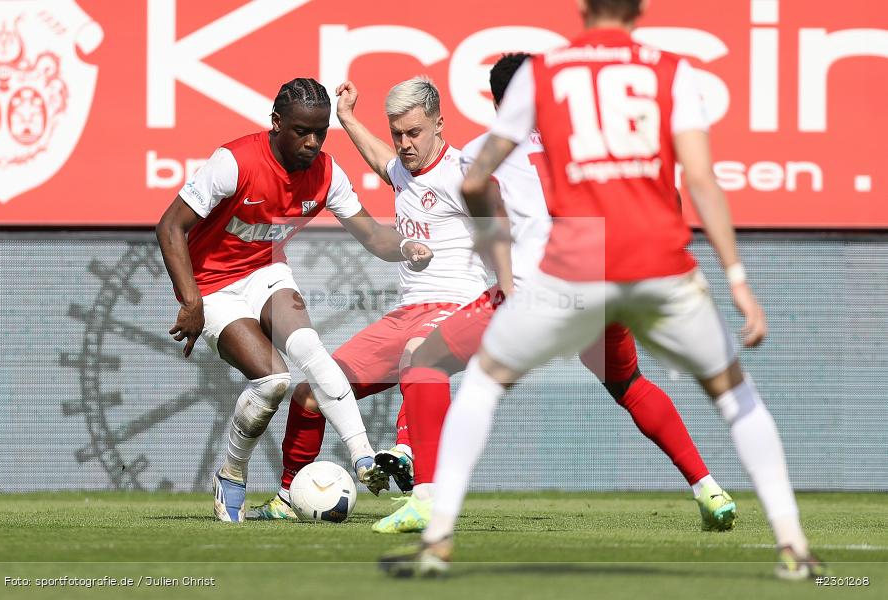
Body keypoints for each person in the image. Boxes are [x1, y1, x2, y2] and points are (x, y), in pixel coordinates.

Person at [383, 0, 825, 580]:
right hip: (652, 267)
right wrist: (737, 279)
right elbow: (698, 181)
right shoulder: (672, 71)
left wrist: (503, 263)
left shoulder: (551, 77)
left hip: (559, 280)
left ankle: (436, 531)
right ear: (640, 9)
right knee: (722, 392)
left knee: (454, 372)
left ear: (583, 9)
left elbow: (473, 179)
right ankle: (776, 533)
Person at [371, 52, 735, 536]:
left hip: (531, 293)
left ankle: (426, 500)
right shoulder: (600, 146)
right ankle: (708, 488)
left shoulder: (482, 149)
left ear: (501, 103)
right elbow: (664, 198)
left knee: (422, 360)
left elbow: (489, 217)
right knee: (629, 385)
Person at [155, 78, 433, 523]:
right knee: (274, 382)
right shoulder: (234, 162)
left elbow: (373, 236)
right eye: (302, 131)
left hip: (266, 272)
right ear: (276, 123)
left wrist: (406, 246)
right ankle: (231, 474)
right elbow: (170, 227)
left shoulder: (326, 172)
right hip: (214, 287)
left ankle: (362, 459)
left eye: (320, 132)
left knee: (310, 350)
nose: (311, 142)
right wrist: (191, 302)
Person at [246, 77, 490, 520]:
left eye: (414, 132)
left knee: (422, 356)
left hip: (456, 309)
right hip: (403, 316)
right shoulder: (401, 169)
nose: (403, 143)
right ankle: (288, 499)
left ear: (439, 124)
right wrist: (346, 118)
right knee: (311, 392)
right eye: (397, 133)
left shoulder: (465, 176)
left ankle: (409, 453)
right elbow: (381, 159)